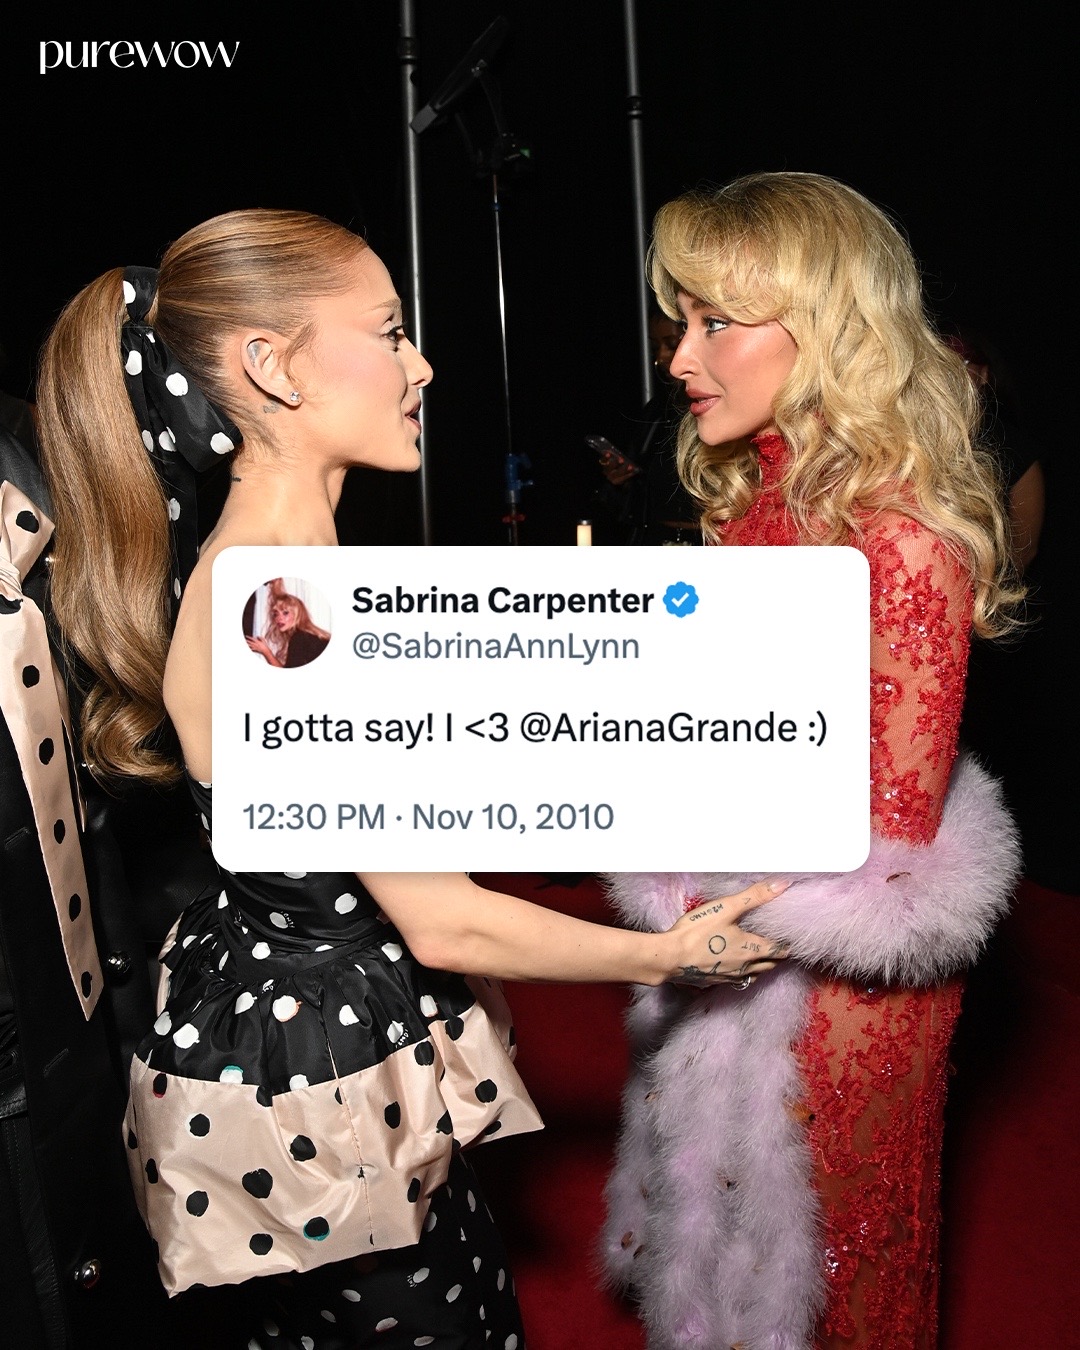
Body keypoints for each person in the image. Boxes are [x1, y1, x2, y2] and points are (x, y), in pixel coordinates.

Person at [35, 207, 788, 1349]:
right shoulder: (280, 607)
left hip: (309, 1035)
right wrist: (679, 955)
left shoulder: (272, 570)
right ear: (272, 367)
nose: (421, 365)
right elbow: (442, 919)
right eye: (389, 332)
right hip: (323, 1078)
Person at [600, 173, 1022, 1350]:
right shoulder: (751, 499)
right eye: (678, 320)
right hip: (722, 936)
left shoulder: (903, 535)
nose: (682, 356)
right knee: (719, 1259)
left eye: (715, 322)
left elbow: (883, 842)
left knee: (843, 1275)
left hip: (840, 989)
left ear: (825, 327)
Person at [246, 588, 331, 668]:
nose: (279, 618)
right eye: (276, 614)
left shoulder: (300, 638)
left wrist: (266, 652)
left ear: (297, 614)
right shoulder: (304, 635)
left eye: (285, 613)